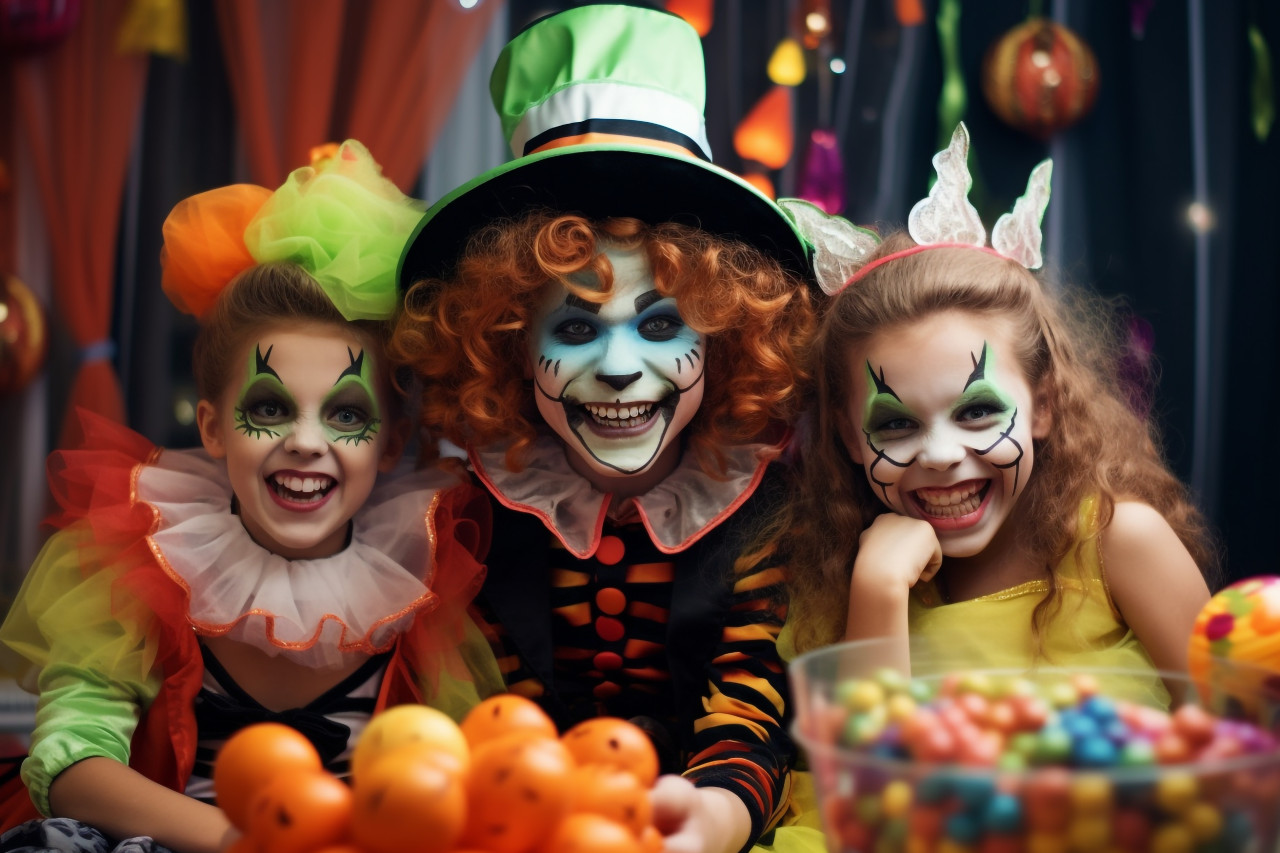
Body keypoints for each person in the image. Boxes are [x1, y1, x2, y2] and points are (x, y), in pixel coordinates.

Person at [390, 6, 824, 853]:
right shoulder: (476, 517)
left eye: (662, 328)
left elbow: (752, 711)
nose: (622, 368)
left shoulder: (769, 510)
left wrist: (705, 824)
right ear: (507, 347)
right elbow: (495, 718)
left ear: (728, 338)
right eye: (578, 329)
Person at [0, 141, 500, 853]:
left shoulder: (426, 577)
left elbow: (463, 785)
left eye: (347, 415)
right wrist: (244, 843)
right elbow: (72, 768)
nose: (304, 440)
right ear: (211, 427)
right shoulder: (143, 561)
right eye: (268, 407)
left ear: (389, 445)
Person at [781, 124, 1216, 704]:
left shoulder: (1119, 542)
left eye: (979, 411)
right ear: (849, 437)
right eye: (895, 424)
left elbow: (1241, 747)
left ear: (1044, 405)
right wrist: (880, 587)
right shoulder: (834, 576)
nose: (940, 455)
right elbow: (869, 786)